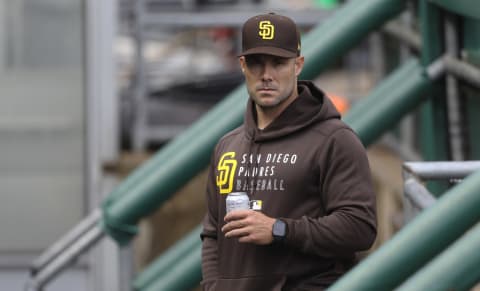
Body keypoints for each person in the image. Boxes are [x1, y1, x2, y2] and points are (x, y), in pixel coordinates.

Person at [201, 12, 377, 291]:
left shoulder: (334, 140)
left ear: (298, 65)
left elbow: (359, 227)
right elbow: (212, 234)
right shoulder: (227, 146)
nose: (267, 75)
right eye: (257, 63)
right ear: (242, 65)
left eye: (279, 63)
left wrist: (279, 229)